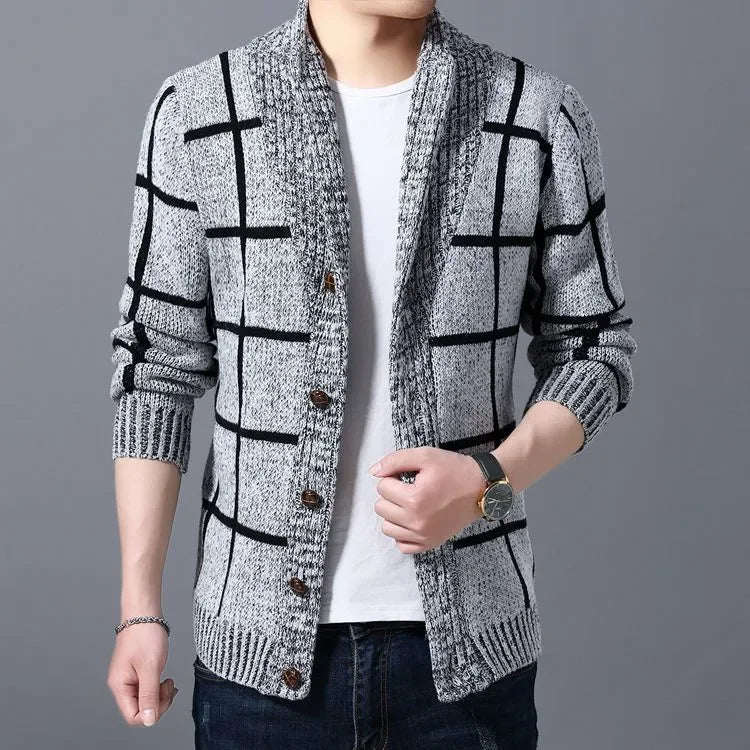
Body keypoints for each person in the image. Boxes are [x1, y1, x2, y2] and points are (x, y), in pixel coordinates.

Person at [106, 0, 637, 747]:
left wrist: (489, 478)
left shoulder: (537, 116)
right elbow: (155, 368)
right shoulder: (199, 112)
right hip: (258, 668)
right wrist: (139, 607)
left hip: (469, 666)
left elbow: (594, 347)